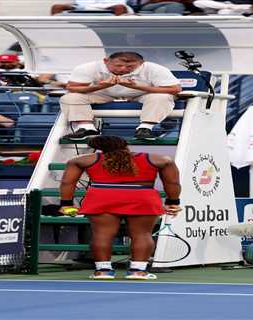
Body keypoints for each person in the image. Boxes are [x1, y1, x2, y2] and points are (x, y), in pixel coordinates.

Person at [59, 135, 181, 280]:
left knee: (101, 235)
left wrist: (66, 204)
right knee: (142, 234)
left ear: (99, 148)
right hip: (142, 197)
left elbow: (67, 183)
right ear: (125, 144)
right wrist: (173, 201)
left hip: (102, 197)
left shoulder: (82, 160)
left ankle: (102, 271)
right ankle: (138, 271)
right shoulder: (158, 159)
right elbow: (172, 182)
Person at [59, 51, 182, 140]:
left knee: (163, 96)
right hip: (104, 92)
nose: (123, 69)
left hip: (141, 93)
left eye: (130, 67)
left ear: (141, 63)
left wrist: (136, 87)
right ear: (106, 61)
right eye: (118, 65)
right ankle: (86, 128)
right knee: (70, 97)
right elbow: (72, 87)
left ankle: (145, 128)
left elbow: (175, 89)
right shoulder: (88, 67)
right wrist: (100, 86)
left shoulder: (155, 68)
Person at [51, 0, 134, 16]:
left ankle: (119, 32)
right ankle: (53, 31)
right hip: (84, 6)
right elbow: (79, 3)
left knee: (119, 7)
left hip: (113, 5)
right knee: (56, 7)